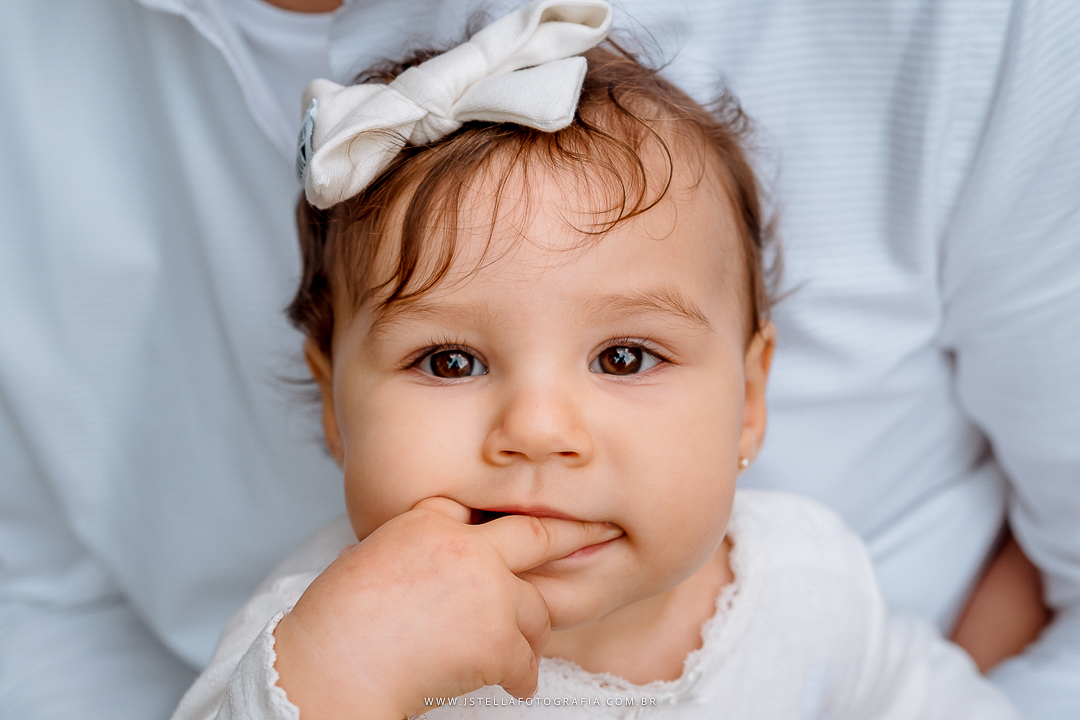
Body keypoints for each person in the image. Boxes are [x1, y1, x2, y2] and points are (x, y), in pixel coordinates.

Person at [0, 1, 1076, 718]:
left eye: (625, 354)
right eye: (451, 363)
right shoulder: (318, 633)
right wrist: (329, 684)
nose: (539, 431)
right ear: (334, 404)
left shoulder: (810, 584)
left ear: (752, 397)